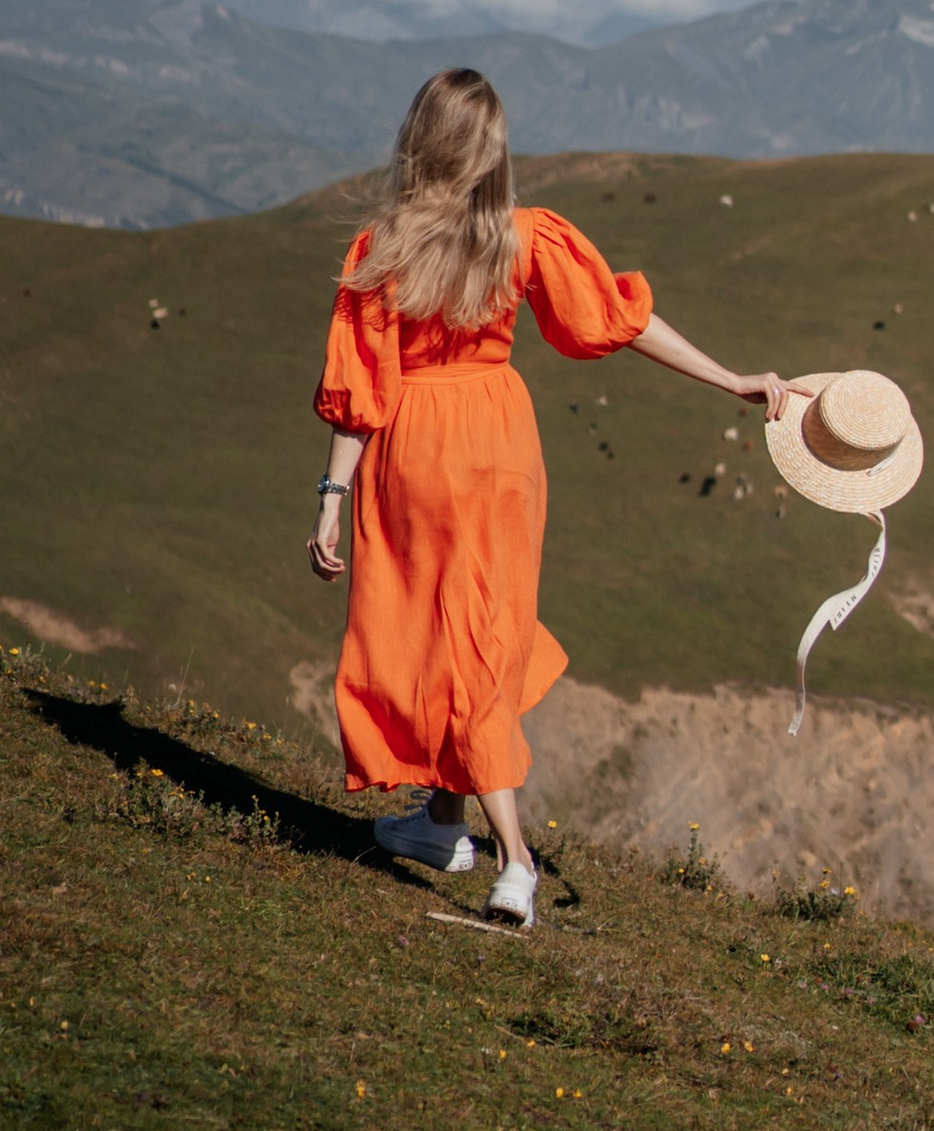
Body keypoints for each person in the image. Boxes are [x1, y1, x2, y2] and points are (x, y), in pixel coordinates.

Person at [308, 68, 787, 926]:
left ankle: (513, 861)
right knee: (483, 631)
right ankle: (446, 826)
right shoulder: (524, 238)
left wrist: (330, 493)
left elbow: (359, 388)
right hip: (501, 447)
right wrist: (731, 380)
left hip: (417, 448)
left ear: (420, 140)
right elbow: (618, 321)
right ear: (491, 151)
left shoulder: (384, 245)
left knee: (434, 629)